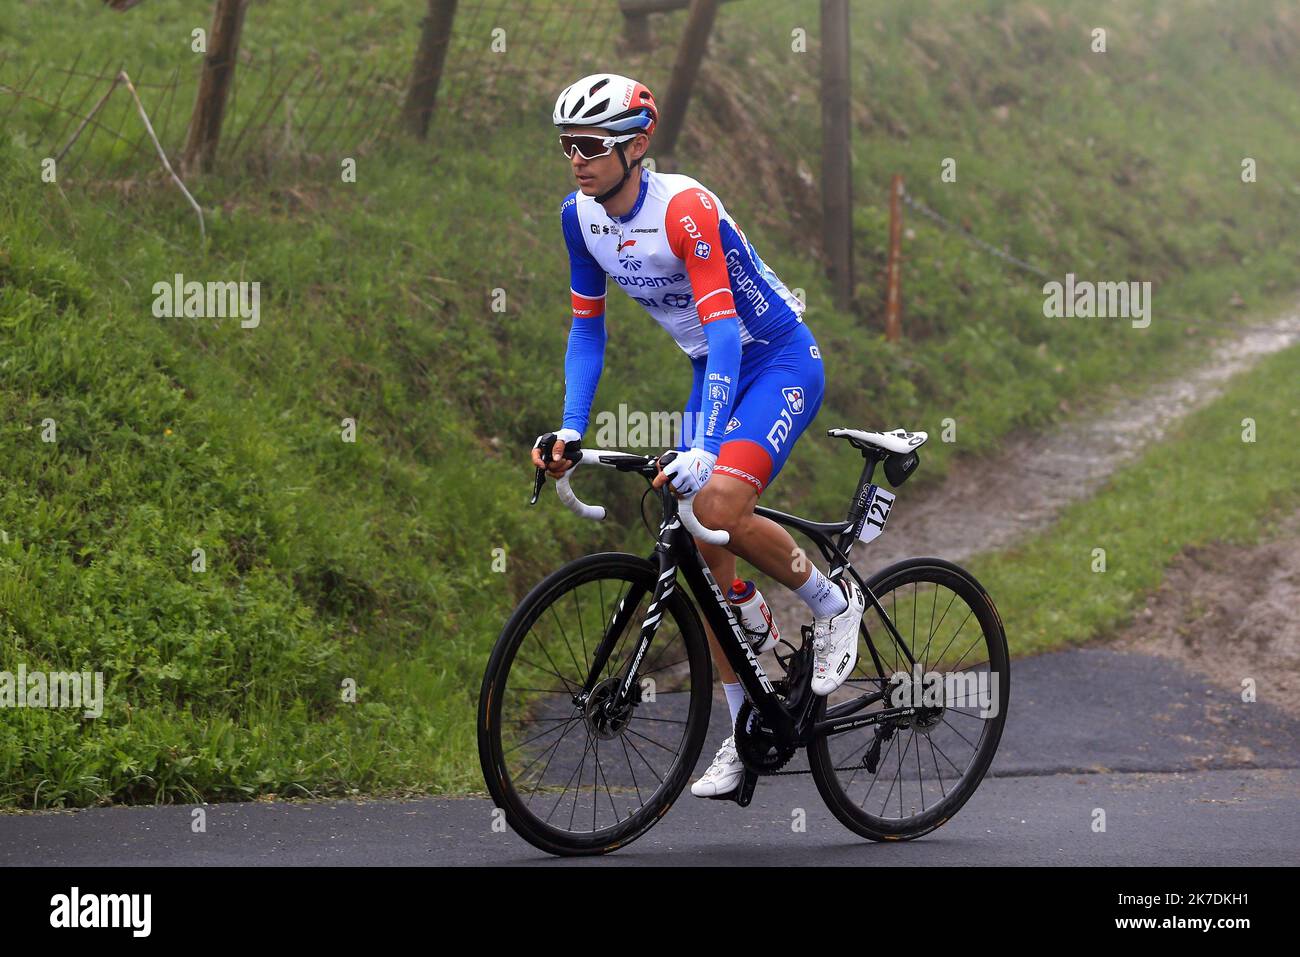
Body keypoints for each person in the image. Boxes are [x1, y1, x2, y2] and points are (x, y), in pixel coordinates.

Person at [532, 73, 866, 797]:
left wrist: (705, 448)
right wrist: (570, 428)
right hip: (710, 369)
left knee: (714, 505)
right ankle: (747, 731)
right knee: (707, 569)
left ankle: (834, 603)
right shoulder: (579, 218)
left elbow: (722, 331)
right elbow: (586, 328)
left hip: (775, 360)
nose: (575, 159)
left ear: (637, 144)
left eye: (588, 144)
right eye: (566, 146)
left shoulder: (685, 210)